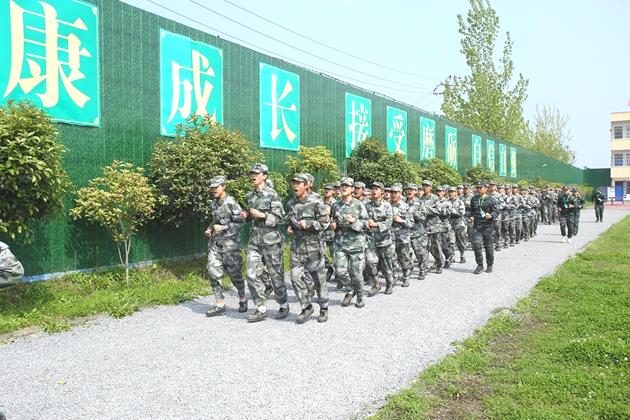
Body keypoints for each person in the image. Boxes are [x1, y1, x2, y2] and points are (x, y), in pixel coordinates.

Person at [242, 163, 289, 322]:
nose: (253, 176)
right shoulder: (250, 195)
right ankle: (261, 308)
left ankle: (284, 305)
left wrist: (262, 215)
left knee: (276, 276)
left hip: (271, 241)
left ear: (264, 175)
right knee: (251, 274)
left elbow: (280, 219)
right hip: (255, 240)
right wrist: (247, 216)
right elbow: (252, 216)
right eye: (252, 173)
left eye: (257, 173)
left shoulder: (272, 194)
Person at [286, 173, 330, 324]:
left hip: (314, 248)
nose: (295, 186)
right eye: (293, 183)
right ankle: (307, 307)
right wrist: (291, 227)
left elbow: (325, 223)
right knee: (294, 277)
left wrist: (309, 224)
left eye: (298, 183)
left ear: (306, 185)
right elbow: (291, 220)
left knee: (319, 280)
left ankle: (324, 307)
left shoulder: (316, 201)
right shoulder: (291, 203)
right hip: (297, 248)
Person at [204, 176, 248, 317]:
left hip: (231, 246)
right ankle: (220, 304)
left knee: (235, 275)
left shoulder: (231, 203)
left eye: (216, 187)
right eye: (211, 187)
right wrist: (210, 229)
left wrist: (222, 228)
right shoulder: (214, 203)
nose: (213, 190)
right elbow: (215, 220)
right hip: (216, 244)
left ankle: (242, 298)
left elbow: (240, 223)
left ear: (223, 186)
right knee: (212, 270)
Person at [331, 177, 369, 308]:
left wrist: (354, 222)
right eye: (342, 185)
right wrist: (333, 225)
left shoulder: (359, 205)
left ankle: (360, 295)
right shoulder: (335, 205)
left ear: (352, 189)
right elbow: (332, 220)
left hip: (356, 244)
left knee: (356, 273)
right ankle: (350, 290)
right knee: (340, 271)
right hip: (340, 244)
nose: (344, 188)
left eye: (347, 186)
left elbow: (366, 224)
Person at [364, 181, 396, 296]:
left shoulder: (387, 205)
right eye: (372, 189)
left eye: (376, 189)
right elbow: (363, 219)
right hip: (370, 239)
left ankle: (389, 283)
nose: (374, 191)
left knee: (385, 263)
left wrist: (376, 224)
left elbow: (389, 222)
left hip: (384, 240)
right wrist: (366, 223)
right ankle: (376, 284)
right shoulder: (367, 205)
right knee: (370, 262)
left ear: (381, 192)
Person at [469, 181, 499, 274]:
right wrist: (471, 217)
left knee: (488, 246)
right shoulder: (474, 199)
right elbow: (472, 211)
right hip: (477, 226)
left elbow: (497, 211)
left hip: (487, 226)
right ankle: (480, 265)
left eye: (480, 188)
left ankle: (489, 265)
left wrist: (491, 215)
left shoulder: (491, 199)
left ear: (486, 189)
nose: (478, 189)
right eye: (477, 188)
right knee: (477, 246)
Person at [389, 183, 414, 287]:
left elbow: (411, 223)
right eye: (392, 192)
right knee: (390, 256)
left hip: (403, 237)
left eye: (396, 192)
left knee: (404, 257)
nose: (393, 194)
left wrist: (402, 221)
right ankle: (394, 275)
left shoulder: (406, 206)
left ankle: (406, 276)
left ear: (400, 193)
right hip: (389, 236)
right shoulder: (387, 205)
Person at [420, 180, 445, 273]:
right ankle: (425, 266)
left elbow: (439, 210)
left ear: (430, 187)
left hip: (434, 226)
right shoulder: (420, 198)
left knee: (436, 247)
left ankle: (439, 263)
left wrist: (427, 210)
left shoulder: (435, 198)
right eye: (424, 186)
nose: (425, 187)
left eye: (427, 186)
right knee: (425, 247)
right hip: (423, 226)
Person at [448, 186, 467, 263]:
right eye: (449, 192)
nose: (450, 193)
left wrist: (452, 210)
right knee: (451, 241)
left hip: (459, 224)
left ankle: (462, 255)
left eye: (452, 192)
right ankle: (452, 256)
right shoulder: (446, 202)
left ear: (455, 193)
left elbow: (461, 213)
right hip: (450, 224)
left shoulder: (460, 202)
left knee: (460, 242)